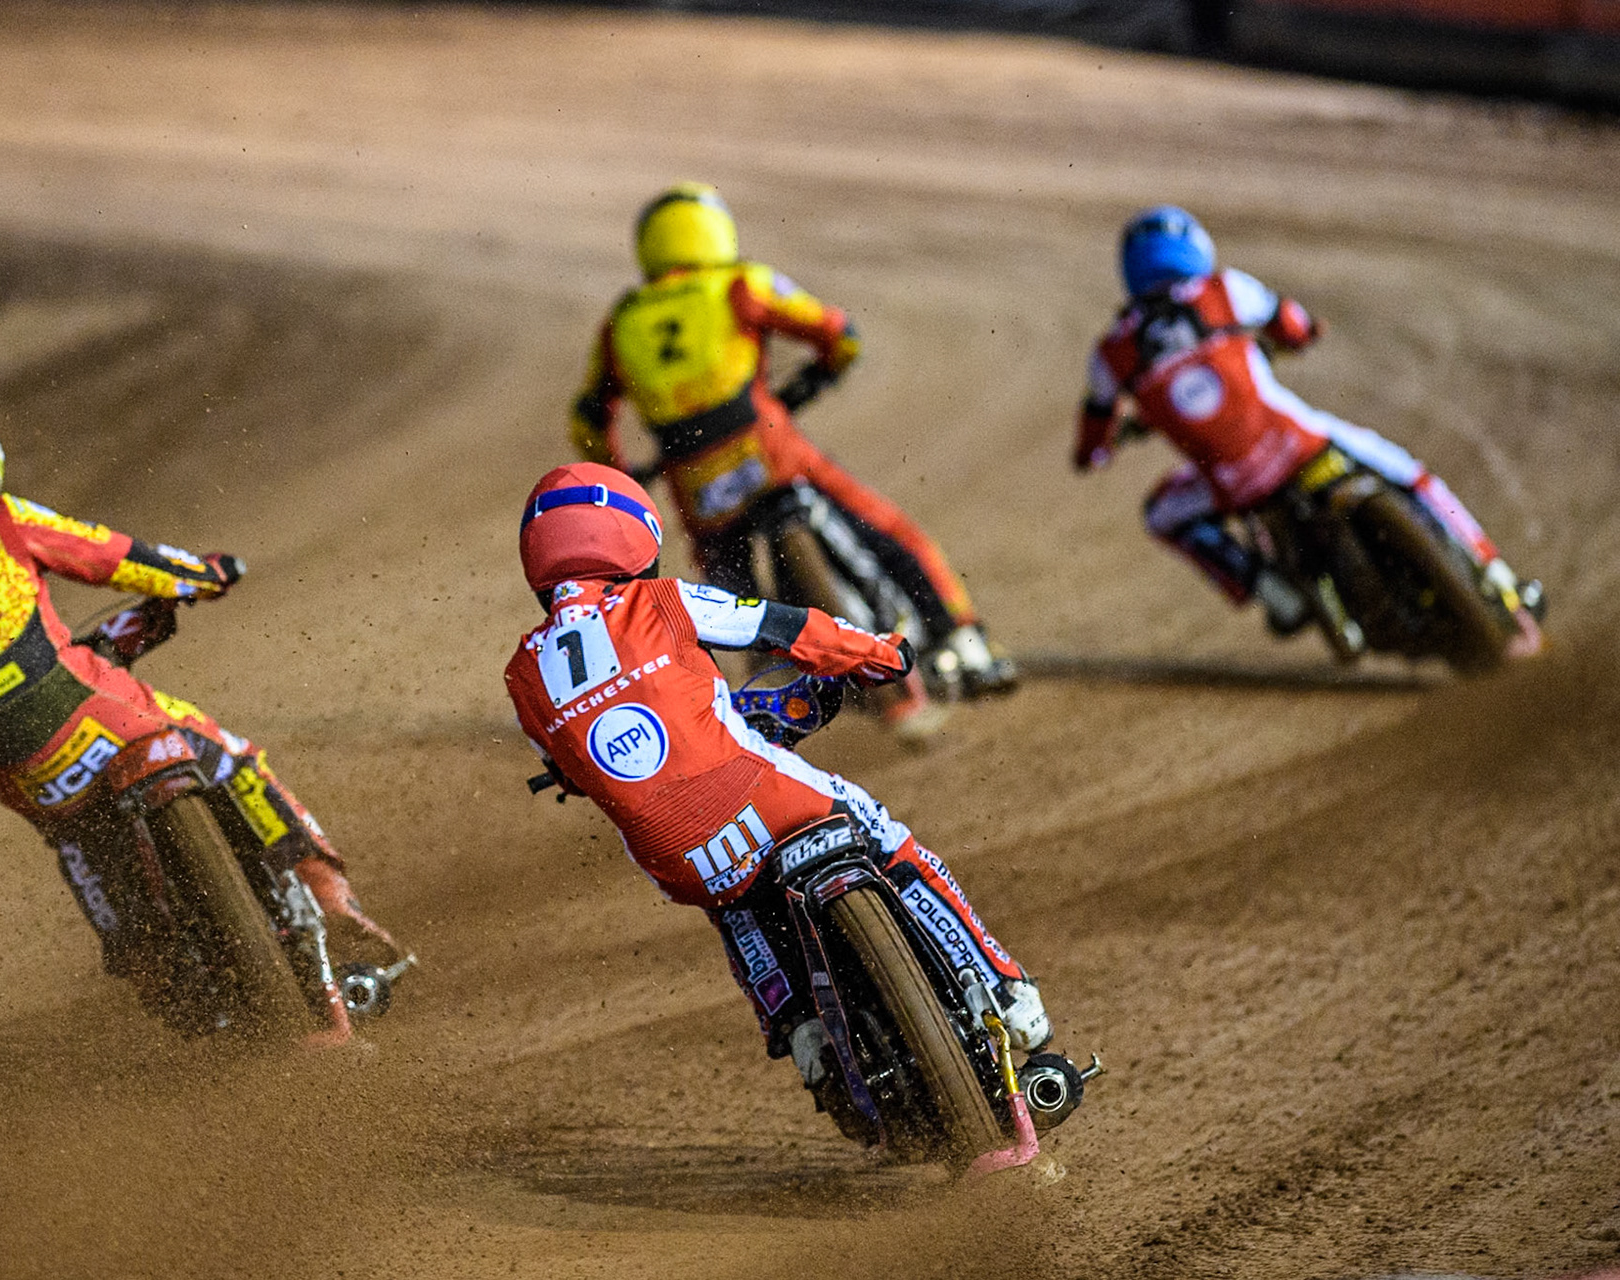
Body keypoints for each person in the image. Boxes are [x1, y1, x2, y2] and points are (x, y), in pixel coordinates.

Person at [503, 462, 1050, 1104]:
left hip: (673, 857)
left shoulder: (522, 675)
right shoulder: (660, 600)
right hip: (763, 794)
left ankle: (798, 1030)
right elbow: (784, 629)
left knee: (730, 903)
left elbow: (568, 767)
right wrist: (881, 655)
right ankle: (1005, 989)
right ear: (632, 536)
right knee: (883, 834)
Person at [0, 400, 400, 1009]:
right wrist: (205, 574)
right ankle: (329, 898)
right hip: (96, 720)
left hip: (22, 776)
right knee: (233, 756)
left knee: (78, 845)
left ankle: (152, 969)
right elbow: (116, 557)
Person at [568, 181, 1017, 712]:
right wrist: (816, 379)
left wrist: (618, 471)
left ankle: (741, 705)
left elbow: (588, 418)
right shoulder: (741, 284)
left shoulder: (620, 323)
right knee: (888, 529)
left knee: (727, 592)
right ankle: (964, 642)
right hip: (768, 449)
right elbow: (839, 333)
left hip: (690, 480)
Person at [1074, 205, 1544, 636]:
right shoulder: (1225, 290)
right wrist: (1301, 336)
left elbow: (1093, 442)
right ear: (1194, 247)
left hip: (1231, 485)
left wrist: (1101, 449)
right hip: (1300, 443)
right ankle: (1499, 578)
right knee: (1413, 475)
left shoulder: (1111, 353)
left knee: (1161, 515)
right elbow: (1293, 325)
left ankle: (1273, 593)